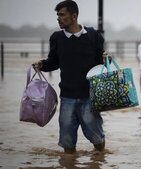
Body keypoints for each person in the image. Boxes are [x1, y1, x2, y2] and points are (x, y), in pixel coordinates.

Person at [33, 0, 106, 154]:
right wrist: (42, 64)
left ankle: (99, 161)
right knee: (67, 143)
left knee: (97, 139)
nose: (59, 18)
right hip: (67, 97)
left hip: (90, 96)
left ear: (74, 16)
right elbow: (54, 62)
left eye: (62, 15)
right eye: (57, 15)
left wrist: (105, 58)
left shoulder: (93, 35)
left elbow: (100, 63)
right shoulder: (56, 38)